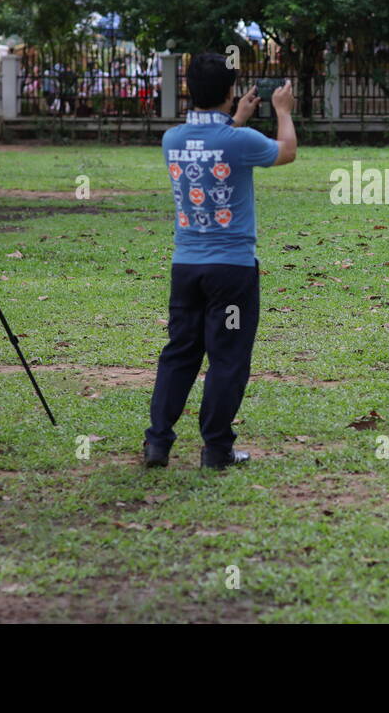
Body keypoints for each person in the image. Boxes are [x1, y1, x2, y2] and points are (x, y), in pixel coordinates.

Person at [145, 53, 297, 470]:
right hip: (231, 272)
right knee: (227, 357)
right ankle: (216, 449)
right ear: (231, 92)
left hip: (186, 268)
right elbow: (286, 152)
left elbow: (211, 153)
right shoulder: (238, 141)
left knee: (180, 353)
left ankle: (158, 442)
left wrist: (236, 118)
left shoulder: (172, 139)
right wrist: (282, 111)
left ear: (188, 90)